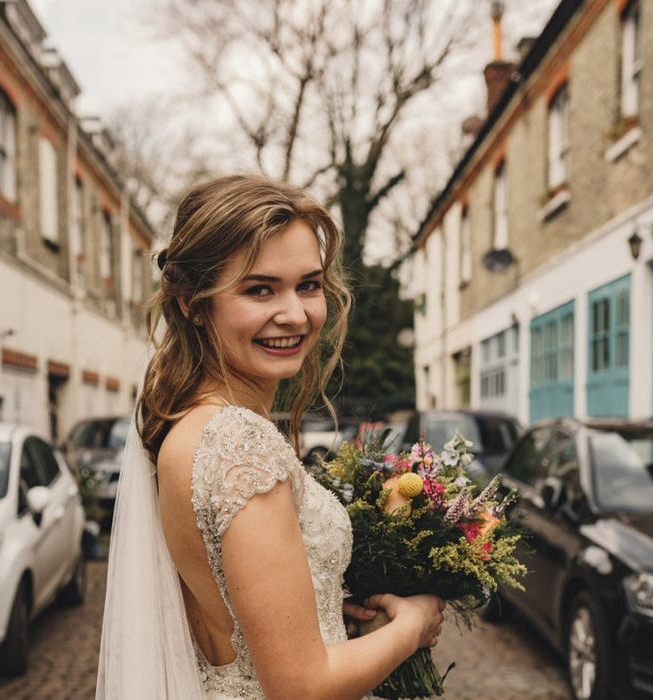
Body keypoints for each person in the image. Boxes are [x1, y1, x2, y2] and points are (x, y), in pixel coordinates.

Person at [96, 175, 445, 699]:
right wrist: (412, 624)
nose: (295, 314)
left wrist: (331, 614)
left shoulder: (187, 425)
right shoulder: (240, 442)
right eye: (260, 289)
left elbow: (239, 627)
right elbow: (301, 687)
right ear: (193, 305)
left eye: (308, 285)